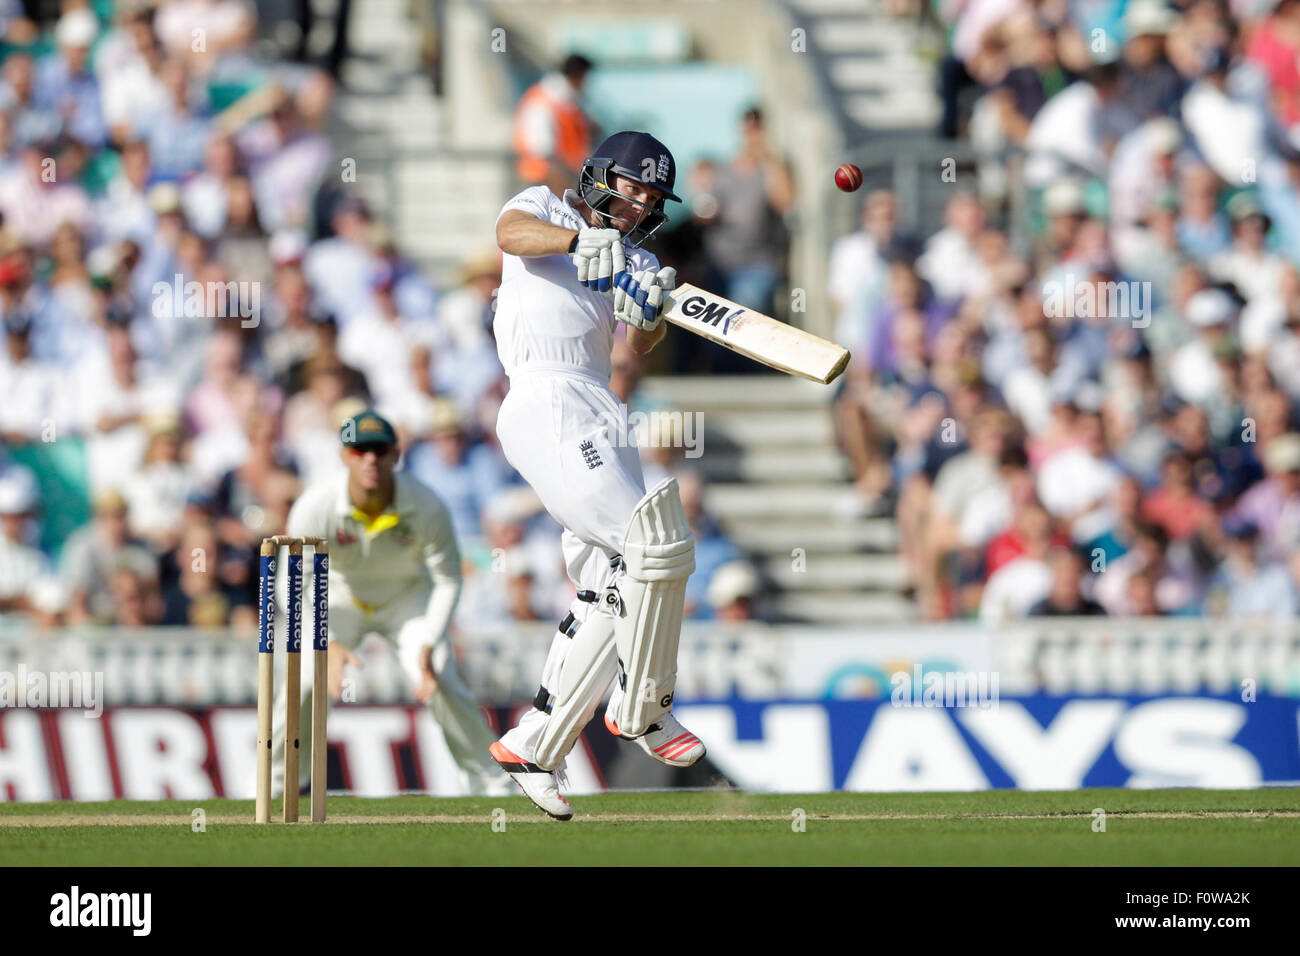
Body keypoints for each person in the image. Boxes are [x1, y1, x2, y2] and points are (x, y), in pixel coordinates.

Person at [490, 130, 707, 819]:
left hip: (598, 403)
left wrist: (647, 319)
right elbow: (508, 233)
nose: (639, 202)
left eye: (650, 197)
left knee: (609, 581)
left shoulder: (635, 256)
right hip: (546, 395)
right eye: (631, 186)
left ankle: (537, 745)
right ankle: (643, 710)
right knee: (656, 545)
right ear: (595, 177)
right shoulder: (547, 211)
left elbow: (637, 344)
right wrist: (578, 244)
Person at [271, 409, 507, 796]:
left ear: (395, 455)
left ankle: (490, 779)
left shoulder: (426, 504)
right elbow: (291, 586)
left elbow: (448, 579)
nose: (370, 460)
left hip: (406, 599)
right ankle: (278, 781)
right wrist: (325, 641)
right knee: (306, 679)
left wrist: (430, 640)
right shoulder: (316, 506)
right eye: (359, 450)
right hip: (339, 599)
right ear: (344, 455)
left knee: (441, 675)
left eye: (379, 450)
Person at [512, 54, 595, 196]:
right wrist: (560, 181)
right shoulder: (545, 100)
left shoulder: (566, 101)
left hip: (559, 176)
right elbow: (542, 148)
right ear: (577, 75)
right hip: (544, 179)